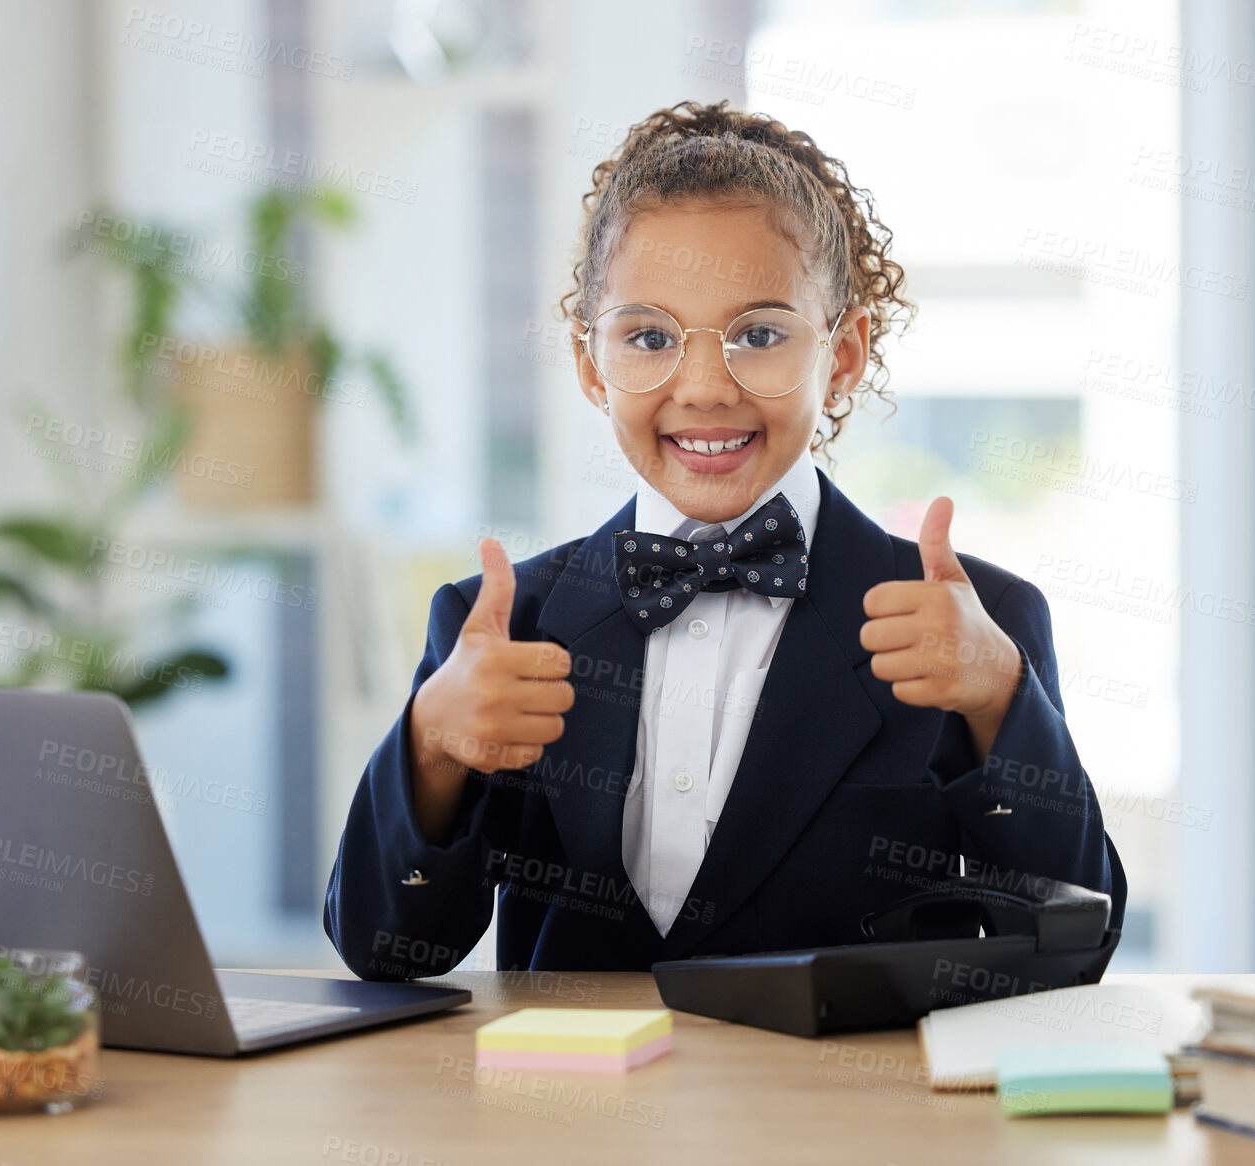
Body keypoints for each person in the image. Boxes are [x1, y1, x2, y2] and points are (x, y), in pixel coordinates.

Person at [325, 100, 1124, 979]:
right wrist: (430, 746)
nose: (704, 387)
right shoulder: (500, 624)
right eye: (648, 337)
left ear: (845, 353)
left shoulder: (977, 622)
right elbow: (384, 944)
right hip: (571, 1108)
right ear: (593, 365)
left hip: (847, 1114)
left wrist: (998, 704)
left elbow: (1073, 949)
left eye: (760, 334)